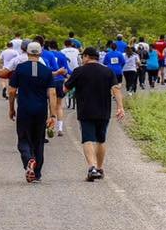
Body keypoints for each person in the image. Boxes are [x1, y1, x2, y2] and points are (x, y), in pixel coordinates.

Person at [63, 47, 124, 182]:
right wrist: (120, 107)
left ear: (86, 56)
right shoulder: (108, 71)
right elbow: (116, 89)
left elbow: (65, 89)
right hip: (104, 111)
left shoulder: (79, 71)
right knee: (101, 140)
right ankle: (100, 168)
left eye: (82, 57)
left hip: (86, 111)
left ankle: (92, 168)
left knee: (88, 139)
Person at [7, 42, 60, 183]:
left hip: (24, 109)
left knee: (23, 139)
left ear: (27, 52)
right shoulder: (46, 71)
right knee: (38, 141)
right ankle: (37, 174)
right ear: (40, 53)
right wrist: (53, 114)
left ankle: (28, 159)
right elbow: (52, 93)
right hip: (41, 110)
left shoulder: (20, 69)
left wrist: (11, 108)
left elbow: (11, 90)